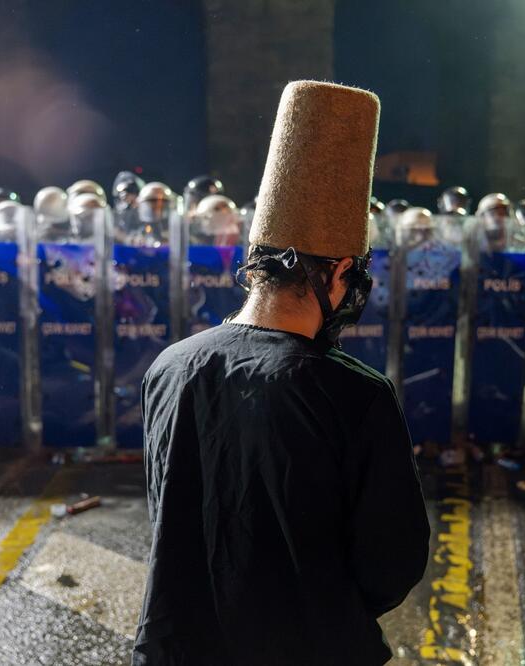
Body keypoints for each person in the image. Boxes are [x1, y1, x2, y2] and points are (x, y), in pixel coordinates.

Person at [134, 81, 430, 666]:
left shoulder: (170, 367)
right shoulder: (355, 394)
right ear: (338, 273)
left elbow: (168, 515)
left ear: (256, 266)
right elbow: (391, 565)